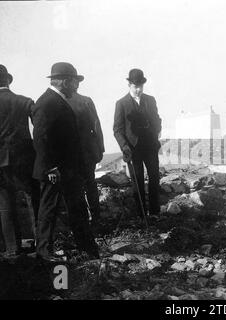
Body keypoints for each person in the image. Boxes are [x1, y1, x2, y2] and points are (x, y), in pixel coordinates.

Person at [31, 62, 99, 262]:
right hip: (55, 171)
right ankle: (43, 253)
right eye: (74, 82)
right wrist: (50, 167)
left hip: (69, 170)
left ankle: (88, 250)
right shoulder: (47, 102)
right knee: (48, 211)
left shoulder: (57, 101)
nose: (77, 87)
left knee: (78, 209)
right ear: (64, 81)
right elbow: (41, 138)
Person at [0, 64, 39, 257]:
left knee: (5, 204)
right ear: (8, 80)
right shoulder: (25, 101)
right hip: (25, 159)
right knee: (33, 200)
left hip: (0, 162)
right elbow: (40, 130)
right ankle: (40, 244)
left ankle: (12, 249)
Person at [113, 69, 162, 217]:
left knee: (154, 178)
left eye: (141, 86)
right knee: (137, 180)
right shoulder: (121, 103)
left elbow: (157, 119)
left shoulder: (150, 100)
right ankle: (142, 215)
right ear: (129, 84)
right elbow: (117, 129)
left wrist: (155, 132)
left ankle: (155, 213)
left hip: (150, 147)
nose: (139, 89)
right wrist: (125, 146)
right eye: (135, 86)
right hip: (133, 149)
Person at [66, 85, 104, 227]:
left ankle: (81, 221)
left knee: (76, 188)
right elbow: (96, 126)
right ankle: (96, 218)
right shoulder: (86, 101)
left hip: (70, 154)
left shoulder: (59, 102)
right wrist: (100, 148)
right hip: (87, 152)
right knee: (90, 184)